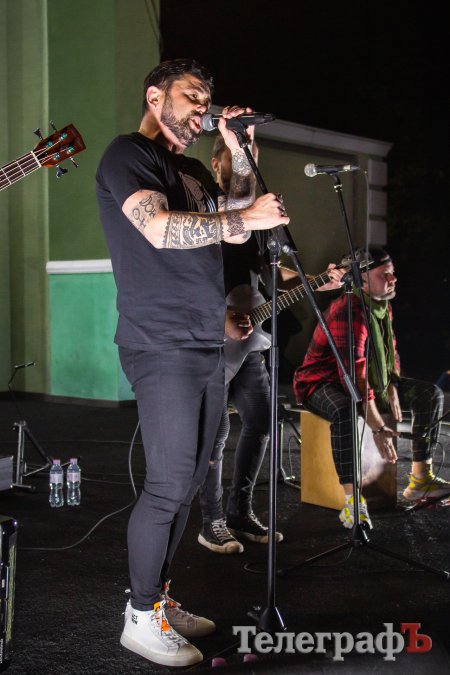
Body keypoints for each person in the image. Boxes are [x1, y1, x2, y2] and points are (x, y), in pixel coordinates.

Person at [95, 58, 289, 668]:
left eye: (208, 99)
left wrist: (240, 151)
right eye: (192, 95)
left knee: (189, 481)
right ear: (156, 97)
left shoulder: (195, 170)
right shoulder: (128, 154)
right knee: (168, 484)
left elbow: (233, 230)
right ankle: (139, 616)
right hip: (161, 342)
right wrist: (244, 216)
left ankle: (157, 598)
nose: (203, 107)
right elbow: (156, 228)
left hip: (204, 340)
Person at [197, 134, 345, 554]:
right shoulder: (206, 210)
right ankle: (211, 521)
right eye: (237, 156)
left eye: (252, 157)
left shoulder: (261, 219)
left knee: (262, 421)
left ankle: (240, 512)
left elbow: (274, 275)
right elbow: (188, 277)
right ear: (217, 163)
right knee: (216, 432)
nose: (246, 164)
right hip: (211, 337)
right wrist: (219, 317)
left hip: (250, 342)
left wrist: (318, 281)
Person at [293, 245, 449, 530]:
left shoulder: (380, 306)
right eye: (384, 274)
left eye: (392, 273)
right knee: (345, 410)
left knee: (431, 394)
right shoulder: (350, 310)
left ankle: (420, 479)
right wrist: (378, 428)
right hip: (321, 381)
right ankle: (353, 502)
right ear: (362, 279)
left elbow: (391, 353)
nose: (393, 279)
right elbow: (355, 377)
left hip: (361, 379)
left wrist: (392, 385)